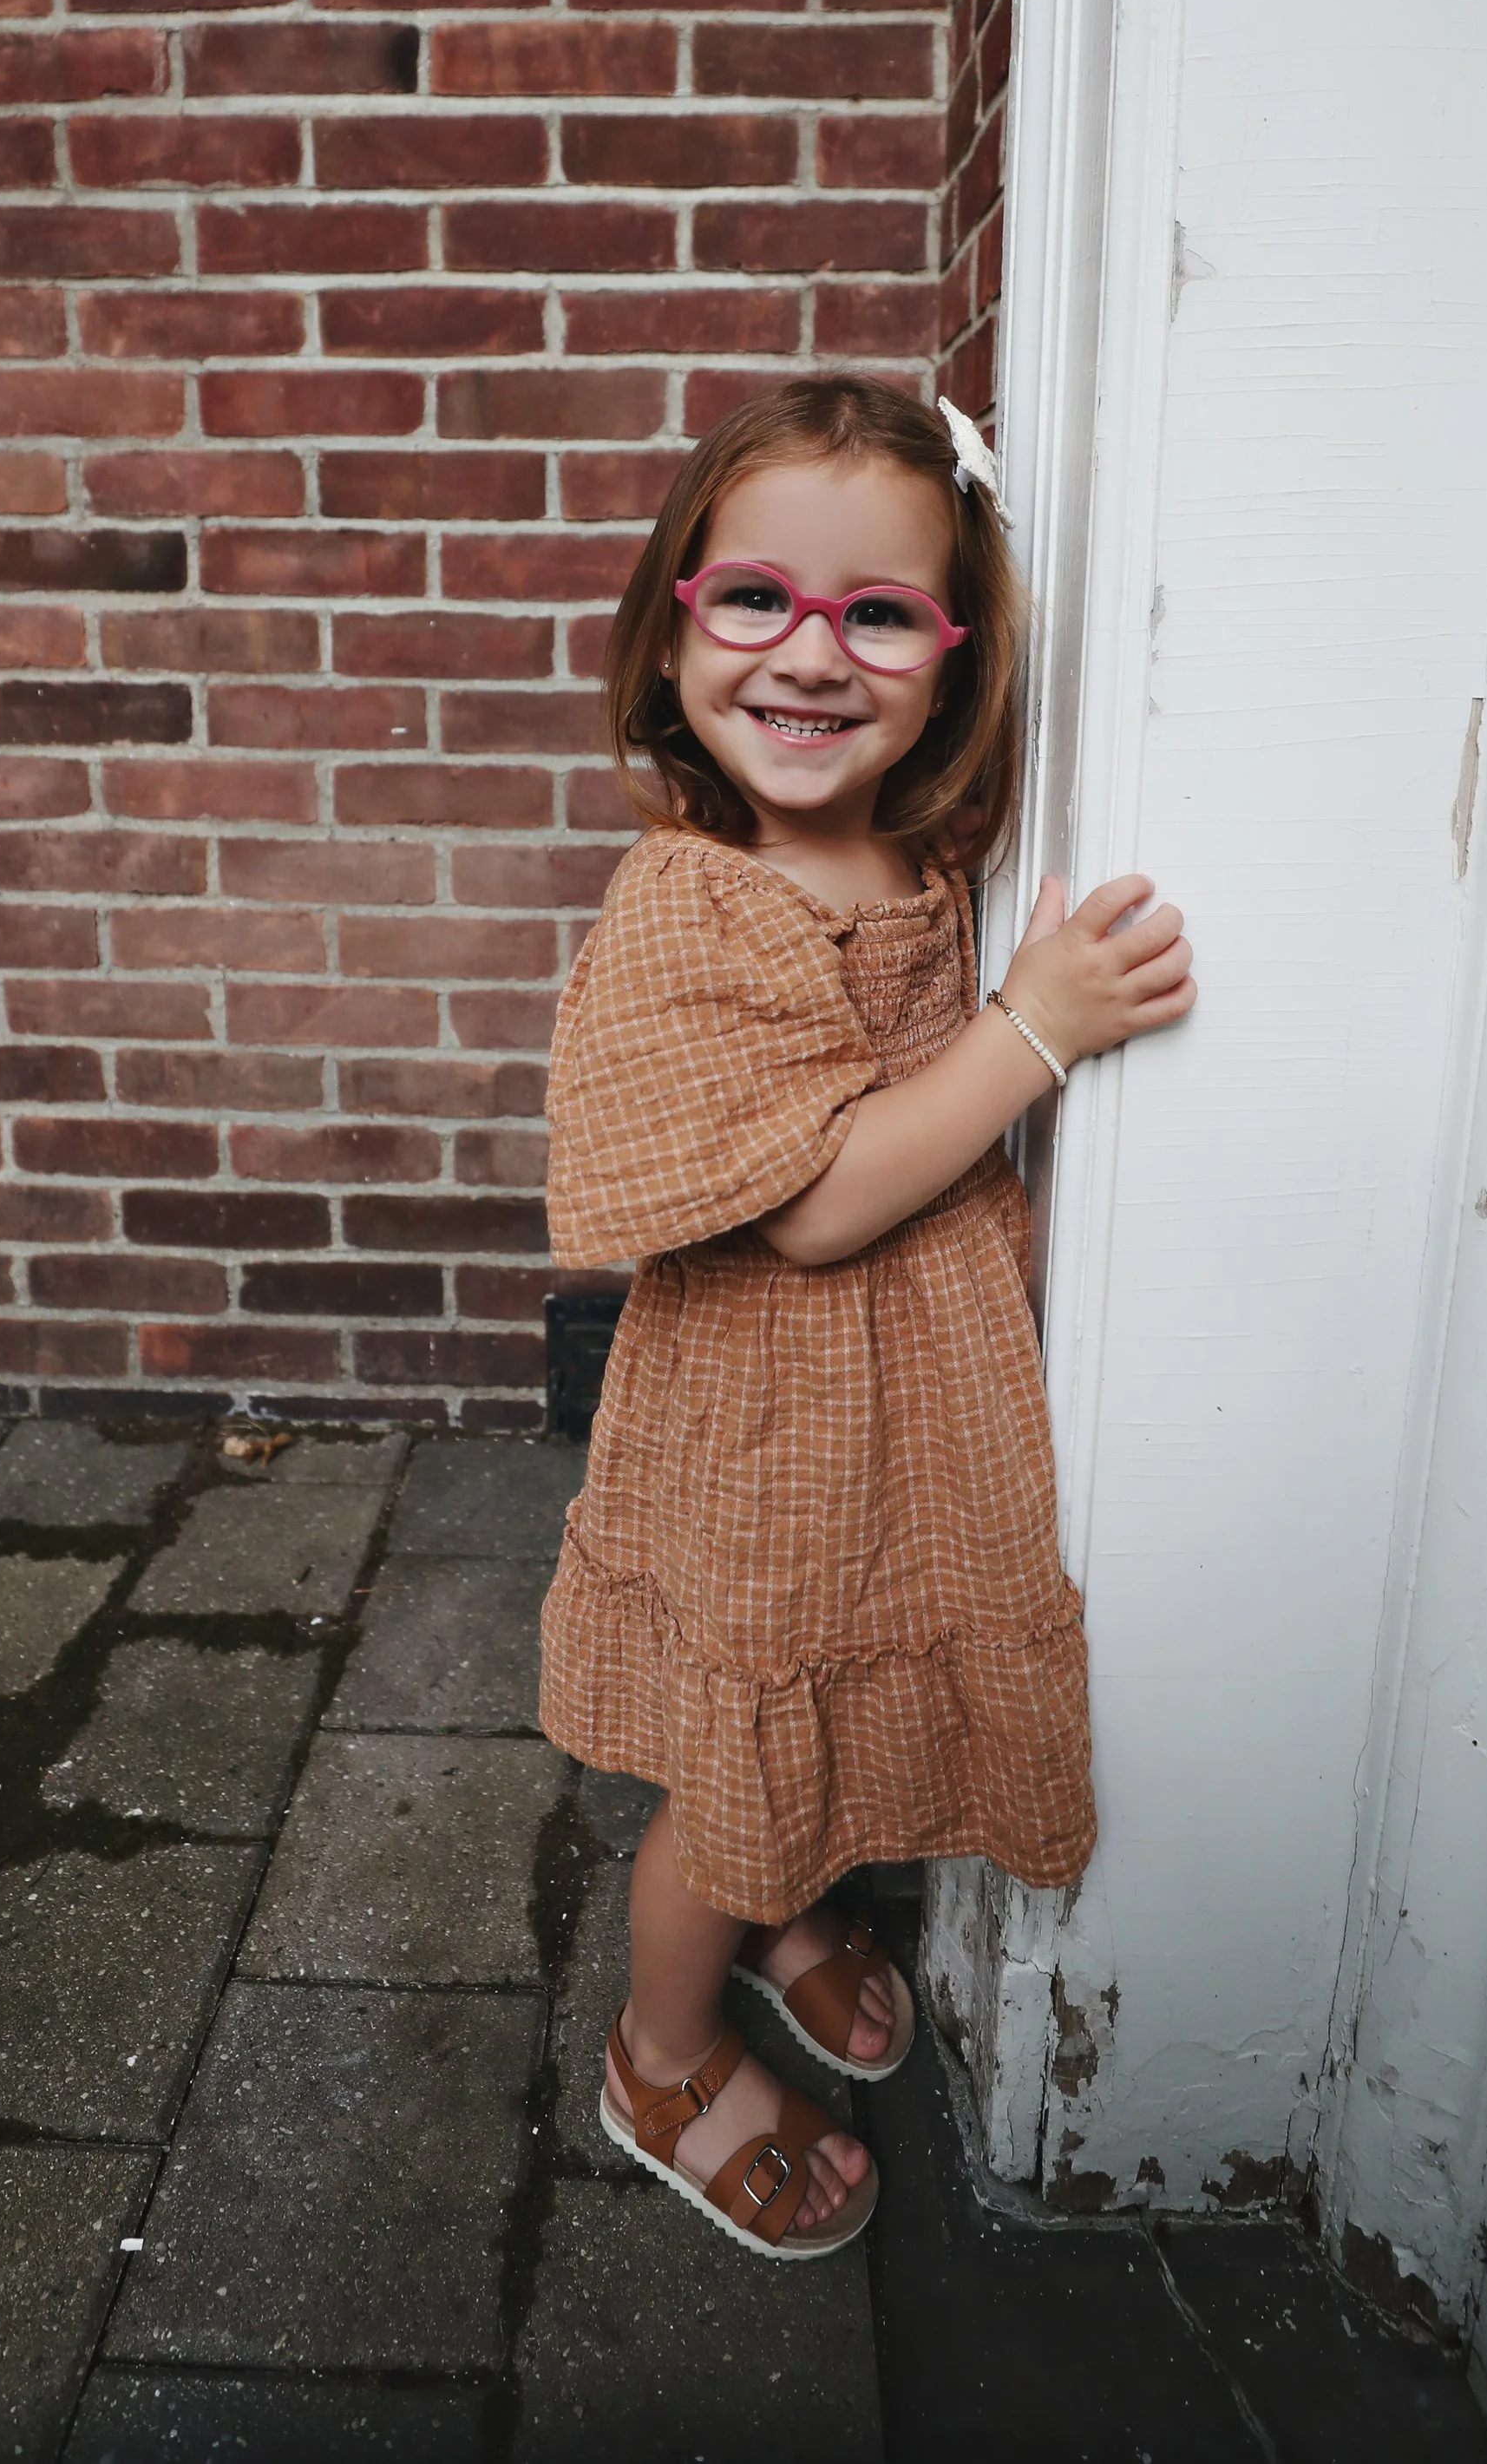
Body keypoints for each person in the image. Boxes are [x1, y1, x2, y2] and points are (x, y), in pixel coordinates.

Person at [538, 373, 1195, 2262]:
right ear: (672, 633)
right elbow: (819, 1205)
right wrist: (1036, 1032)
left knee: (829, 1699)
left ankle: (791, 1914)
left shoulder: (917, 854)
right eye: (755, 601)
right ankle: (661, 2050)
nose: (811, 658)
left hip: (897, 1411)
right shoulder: (690, 903)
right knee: (734, 1772)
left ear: (948, 653)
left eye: (878, 615)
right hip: (759, 1408)